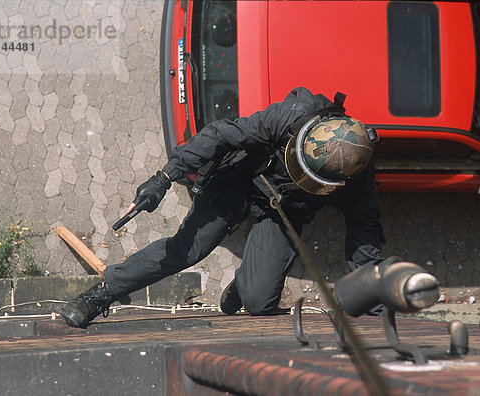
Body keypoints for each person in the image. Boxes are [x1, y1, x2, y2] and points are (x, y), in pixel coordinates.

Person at [59, 87, 385, 328]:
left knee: (258, 302)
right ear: (301, 140)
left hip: (283, 209)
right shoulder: (292, 114)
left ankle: (243, 284)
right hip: (239, 182)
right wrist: (164, 176)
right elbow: (219, 135)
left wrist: (373, 298)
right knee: (189, 250)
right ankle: (100, 295)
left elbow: (364, 235)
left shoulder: (357, 172)